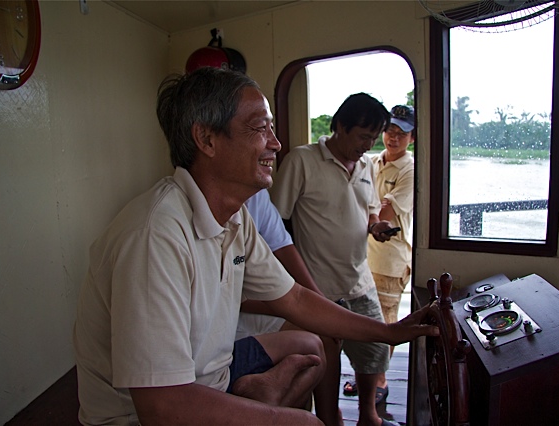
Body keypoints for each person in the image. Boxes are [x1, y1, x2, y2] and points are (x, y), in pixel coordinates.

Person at [73, 68, 438, 426]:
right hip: (141, 414)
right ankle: (257, 397)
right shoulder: (154, 237)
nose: (275, 144)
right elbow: (162, 408)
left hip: (213, 373)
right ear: (207, 139)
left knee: (311, 349)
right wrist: (292, 420)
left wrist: (391, 332)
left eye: (272, 129)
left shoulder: (234, 218)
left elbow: (293, 298)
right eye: (260, 128)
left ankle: (254, 393)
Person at [270, 93, 402, 426]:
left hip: (359, 281)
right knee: (322, 360)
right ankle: (329, 417)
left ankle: (368, 415)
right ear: (340, 126)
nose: (367, 145)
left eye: (373, 138)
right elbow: (275, 224)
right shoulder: (302, 161)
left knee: (372, 353)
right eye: (362, 136)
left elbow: (369, 211)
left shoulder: (365, 166)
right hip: (317, 288)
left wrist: (377, 226)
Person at [239, 189, 344, 426]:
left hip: (255, 301)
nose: (274, 149)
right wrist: (295, 310)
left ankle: (329, 419)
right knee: (313, 335)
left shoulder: (256, 196)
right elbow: (235, 299)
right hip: (233, 312)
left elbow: (283, 247)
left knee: (326, 333)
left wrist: (322, 306)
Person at [366, 104, 416, 400]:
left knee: (385, 321)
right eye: (389, 131)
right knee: (365, 319)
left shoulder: (411, 170)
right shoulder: (371, 162)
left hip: (390, 259)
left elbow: (383, 208)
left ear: (412, 138)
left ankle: (380, 382)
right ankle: (368, 375)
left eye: (401, 133)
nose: (393, 137)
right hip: (364, 255)